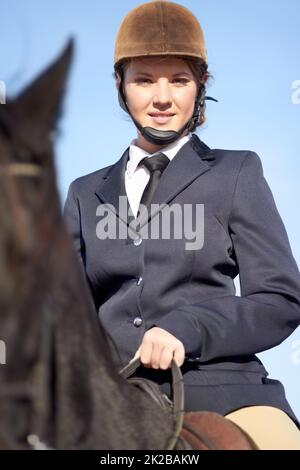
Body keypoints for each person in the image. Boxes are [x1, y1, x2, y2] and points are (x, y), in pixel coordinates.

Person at [63, 1, 300, 449]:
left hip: (226, 394)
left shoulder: (236, 173)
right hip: (114, 399)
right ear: (121, 85)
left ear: (200, 86)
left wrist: (187, 326)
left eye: (179, 79)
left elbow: (280, 299)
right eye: (144, 80)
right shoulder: (82, 193)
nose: (162, 98)